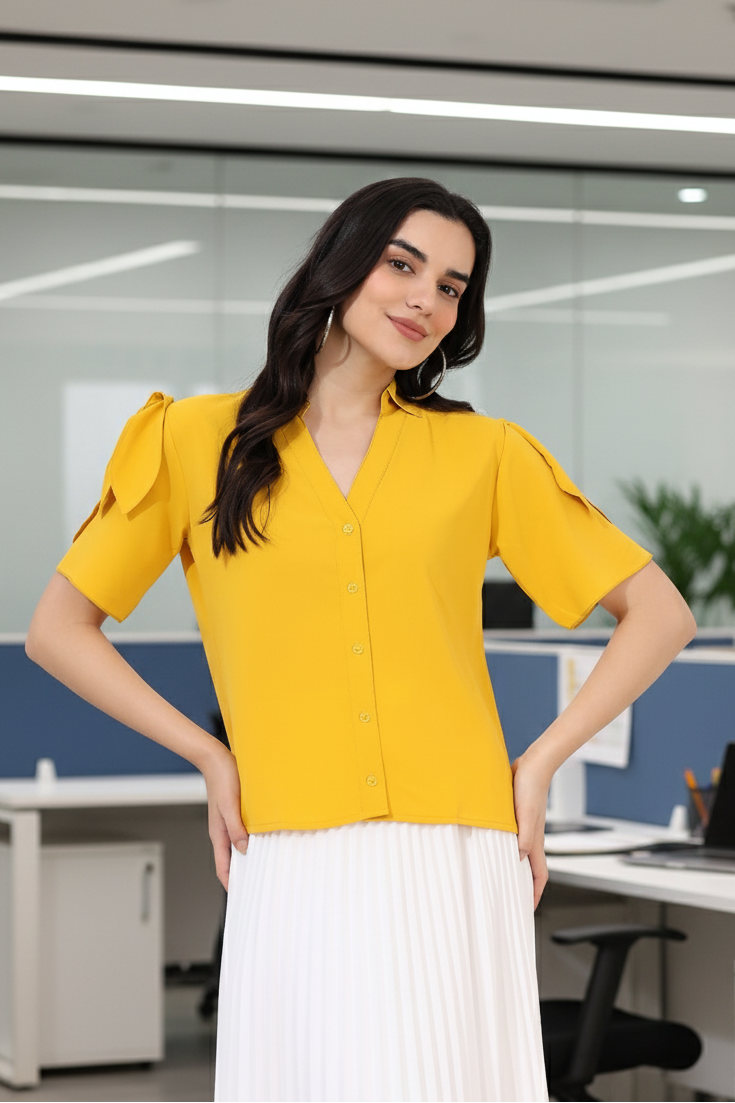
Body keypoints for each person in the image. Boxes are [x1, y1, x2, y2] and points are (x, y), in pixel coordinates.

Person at [26, 176, 695, 1103]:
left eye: (454, 286)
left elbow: (661, 614)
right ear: (341, 264)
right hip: (293, 845)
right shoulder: (194, 440)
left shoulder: (482, 452)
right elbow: (58, 631)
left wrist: (535, 765)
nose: (427, 298)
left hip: (458, 845)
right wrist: (209, 754)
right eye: (403, 264)